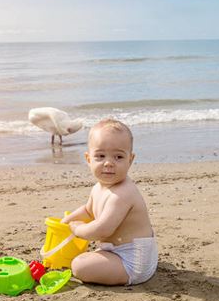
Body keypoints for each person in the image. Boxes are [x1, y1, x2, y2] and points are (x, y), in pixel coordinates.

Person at [61, 119, 157, 285]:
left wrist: (78, 229)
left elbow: (102, 230)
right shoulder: (99, 187)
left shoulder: (122, 194)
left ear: (130, 159)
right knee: (83, 258)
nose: (108, 163)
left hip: (132, 262)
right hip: (115, 250)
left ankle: (125, 271)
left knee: (79, 265)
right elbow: (88, 211)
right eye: (100, 156)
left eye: (118, 157)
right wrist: (66, 222)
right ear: (89, 159)